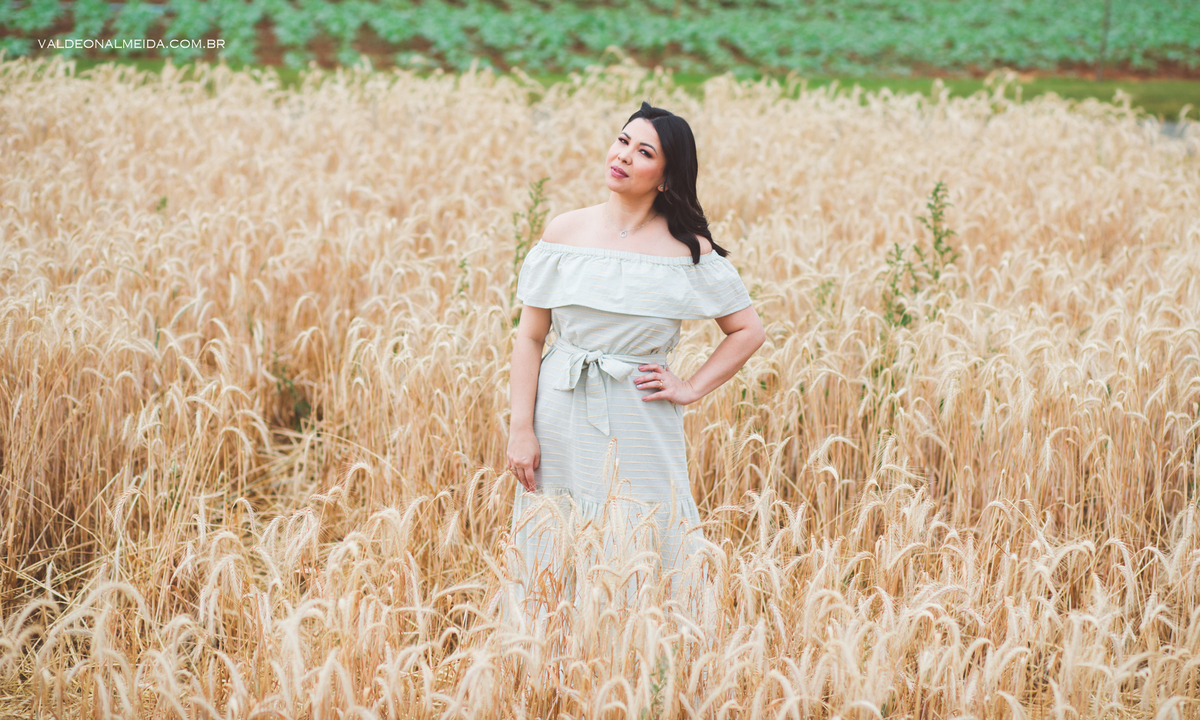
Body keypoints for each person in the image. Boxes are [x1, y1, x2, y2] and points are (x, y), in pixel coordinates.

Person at [503, 101, 766, 626]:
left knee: (646, 525)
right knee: (554, 529)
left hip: (638, 411)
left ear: (667, 178)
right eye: (623, 141)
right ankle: (546, 670)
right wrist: (520, 429)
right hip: (558, 408)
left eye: (643, 151)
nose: (622, 156)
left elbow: (748, 331)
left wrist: (690, 387)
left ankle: (643, 660)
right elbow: (530, 337)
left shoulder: (688, 250)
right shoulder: (564, 232)